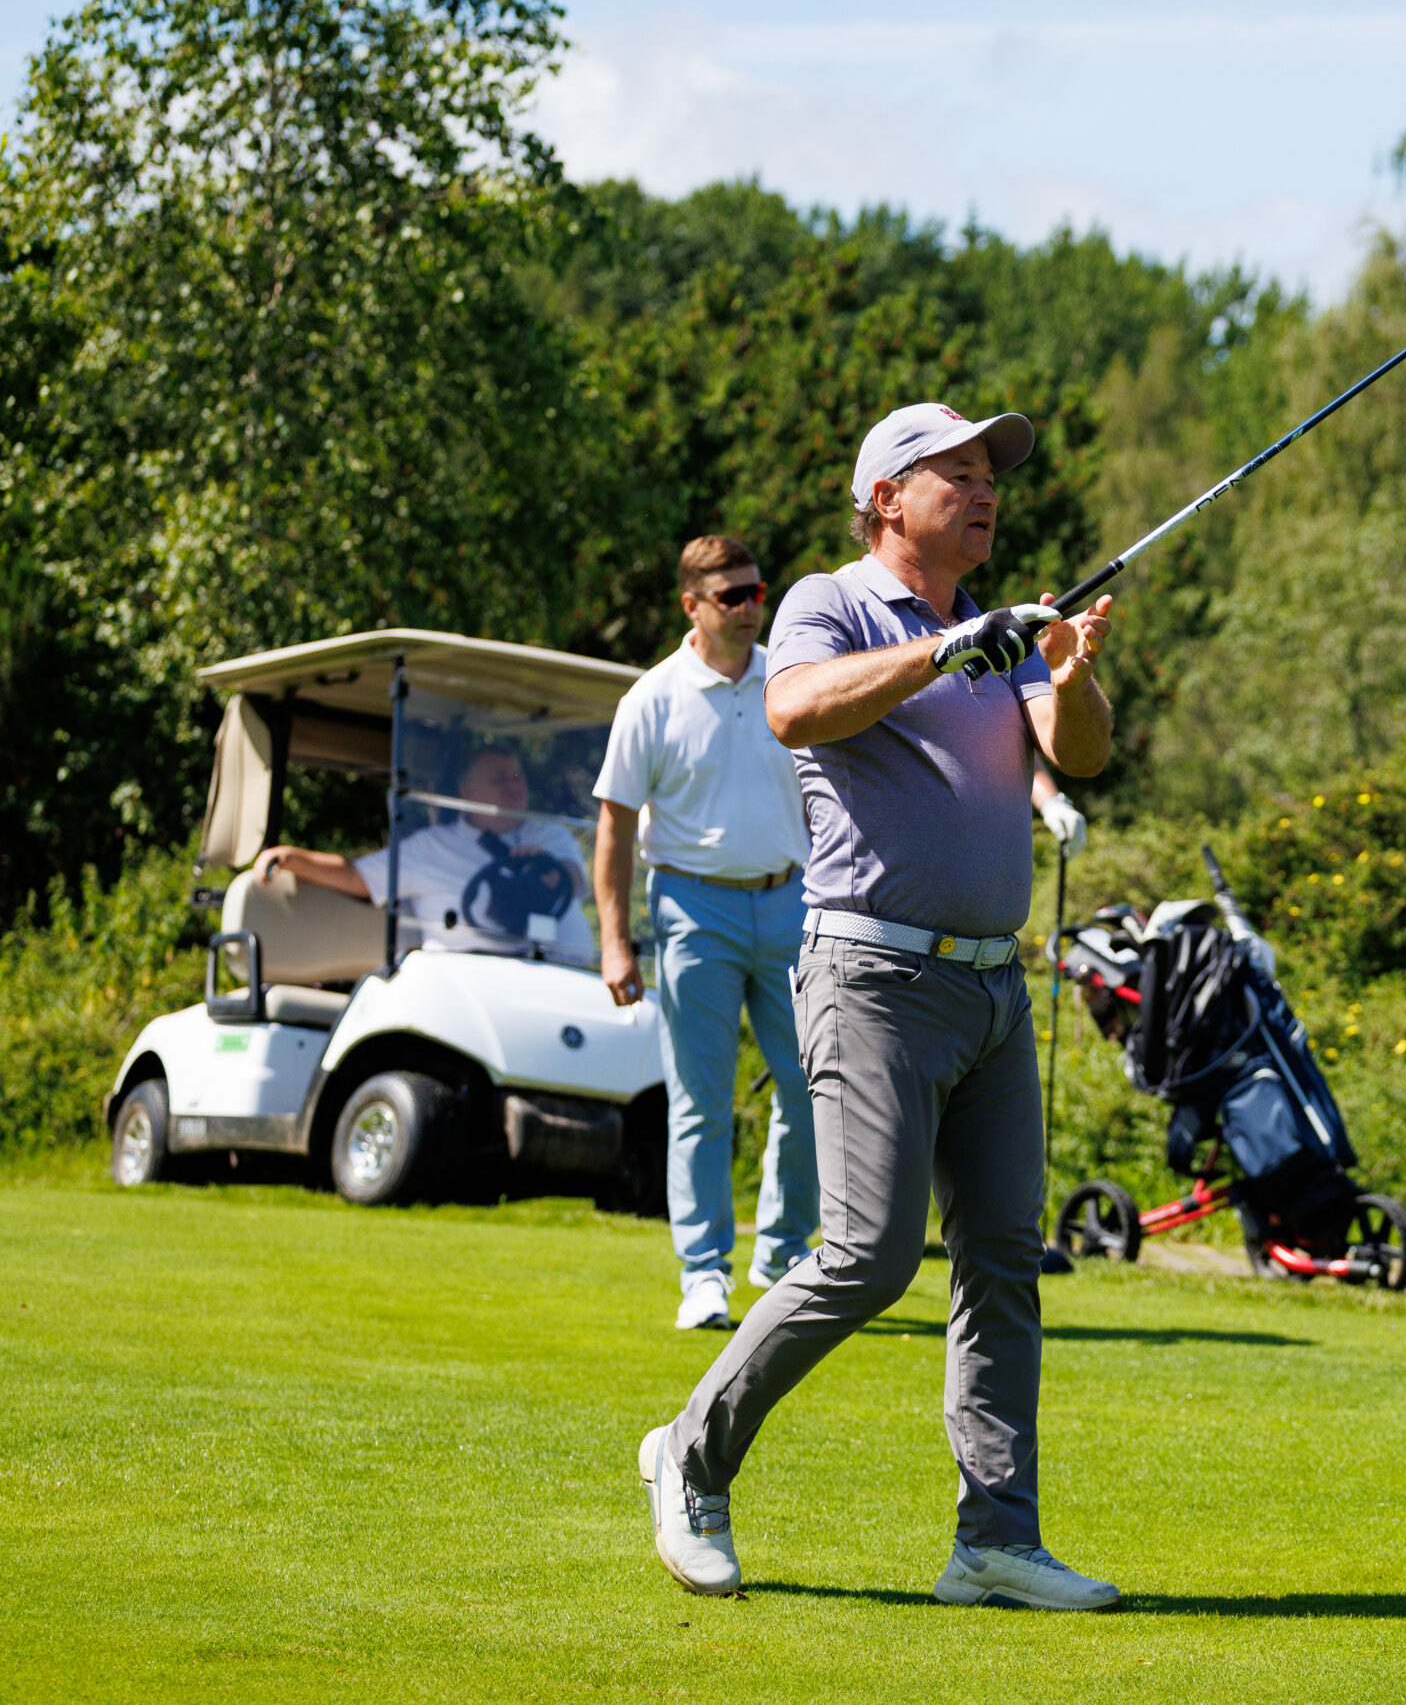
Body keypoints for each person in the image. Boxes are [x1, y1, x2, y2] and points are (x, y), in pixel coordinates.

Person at [637, 401, 1119, 1609]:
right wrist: (955, 651)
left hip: (991, 984)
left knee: (1002, 1260)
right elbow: (796, 709)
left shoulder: (995, 630)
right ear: (887, 498)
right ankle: (689, 1452)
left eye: (990, 473)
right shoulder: (828, 602)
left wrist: (1067, 675)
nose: (984, 490)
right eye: (956, 471)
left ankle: (995, 1541)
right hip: (872, 976)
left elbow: (1080, 753)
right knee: (865, 1255)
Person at [594, 535, 820, 1332]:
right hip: (693, 911)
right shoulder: (651, 698)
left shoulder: (789, 680)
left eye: (757, 592)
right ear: (691, 605)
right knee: (701, 1103)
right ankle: (703, 1273)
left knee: (814, 1085)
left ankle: (784, 1252)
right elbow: (615, 827)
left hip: (792, 903)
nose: (752, 607)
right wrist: (615, 941)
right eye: (733, 596)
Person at [253, 747, 593, 959]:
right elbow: (357, 877)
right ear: (467, 791)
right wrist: (291, 857)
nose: (514, 786)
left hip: (555, 975)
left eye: (517, 777)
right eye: (499, 779)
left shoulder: (548, 835)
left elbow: (575, 878)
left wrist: (548, 872)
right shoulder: (431, 846)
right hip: (469, 980)